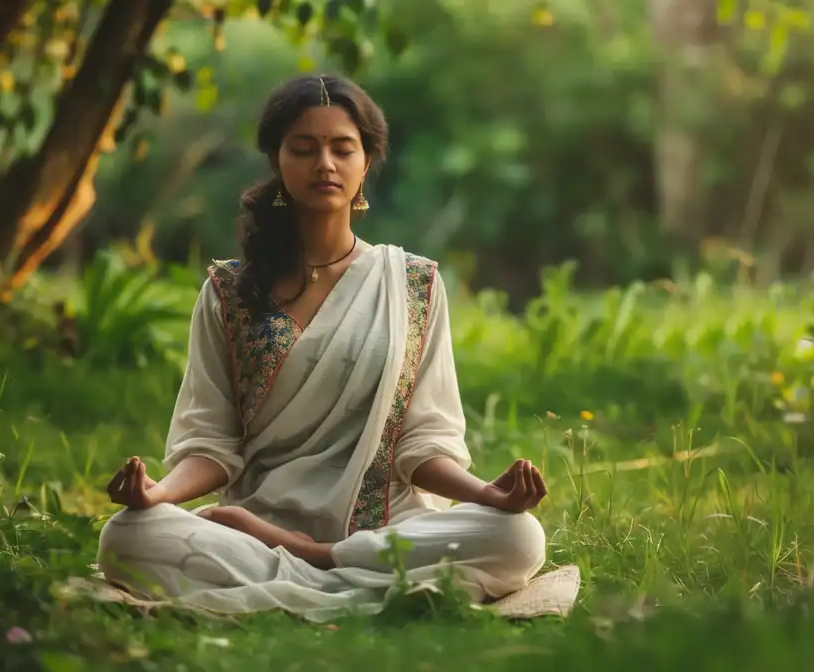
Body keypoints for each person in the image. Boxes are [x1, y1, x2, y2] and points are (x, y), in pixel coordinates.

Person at [96, 74, 549, 622]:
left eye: (342, 148)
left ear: (366, 161)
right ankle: (366, 583)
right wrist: (159, 496)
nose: (325, 164)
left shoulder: (411, 283)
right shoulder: (231, 291)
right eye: (304, 149)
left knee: (518, 536)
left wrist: (489, 498)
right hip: (255, 527)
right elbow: (212, 445)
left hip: (386, 529)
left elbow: (423, 443)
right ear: (277, 160)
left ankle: (320, 560)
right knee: (126, 535)